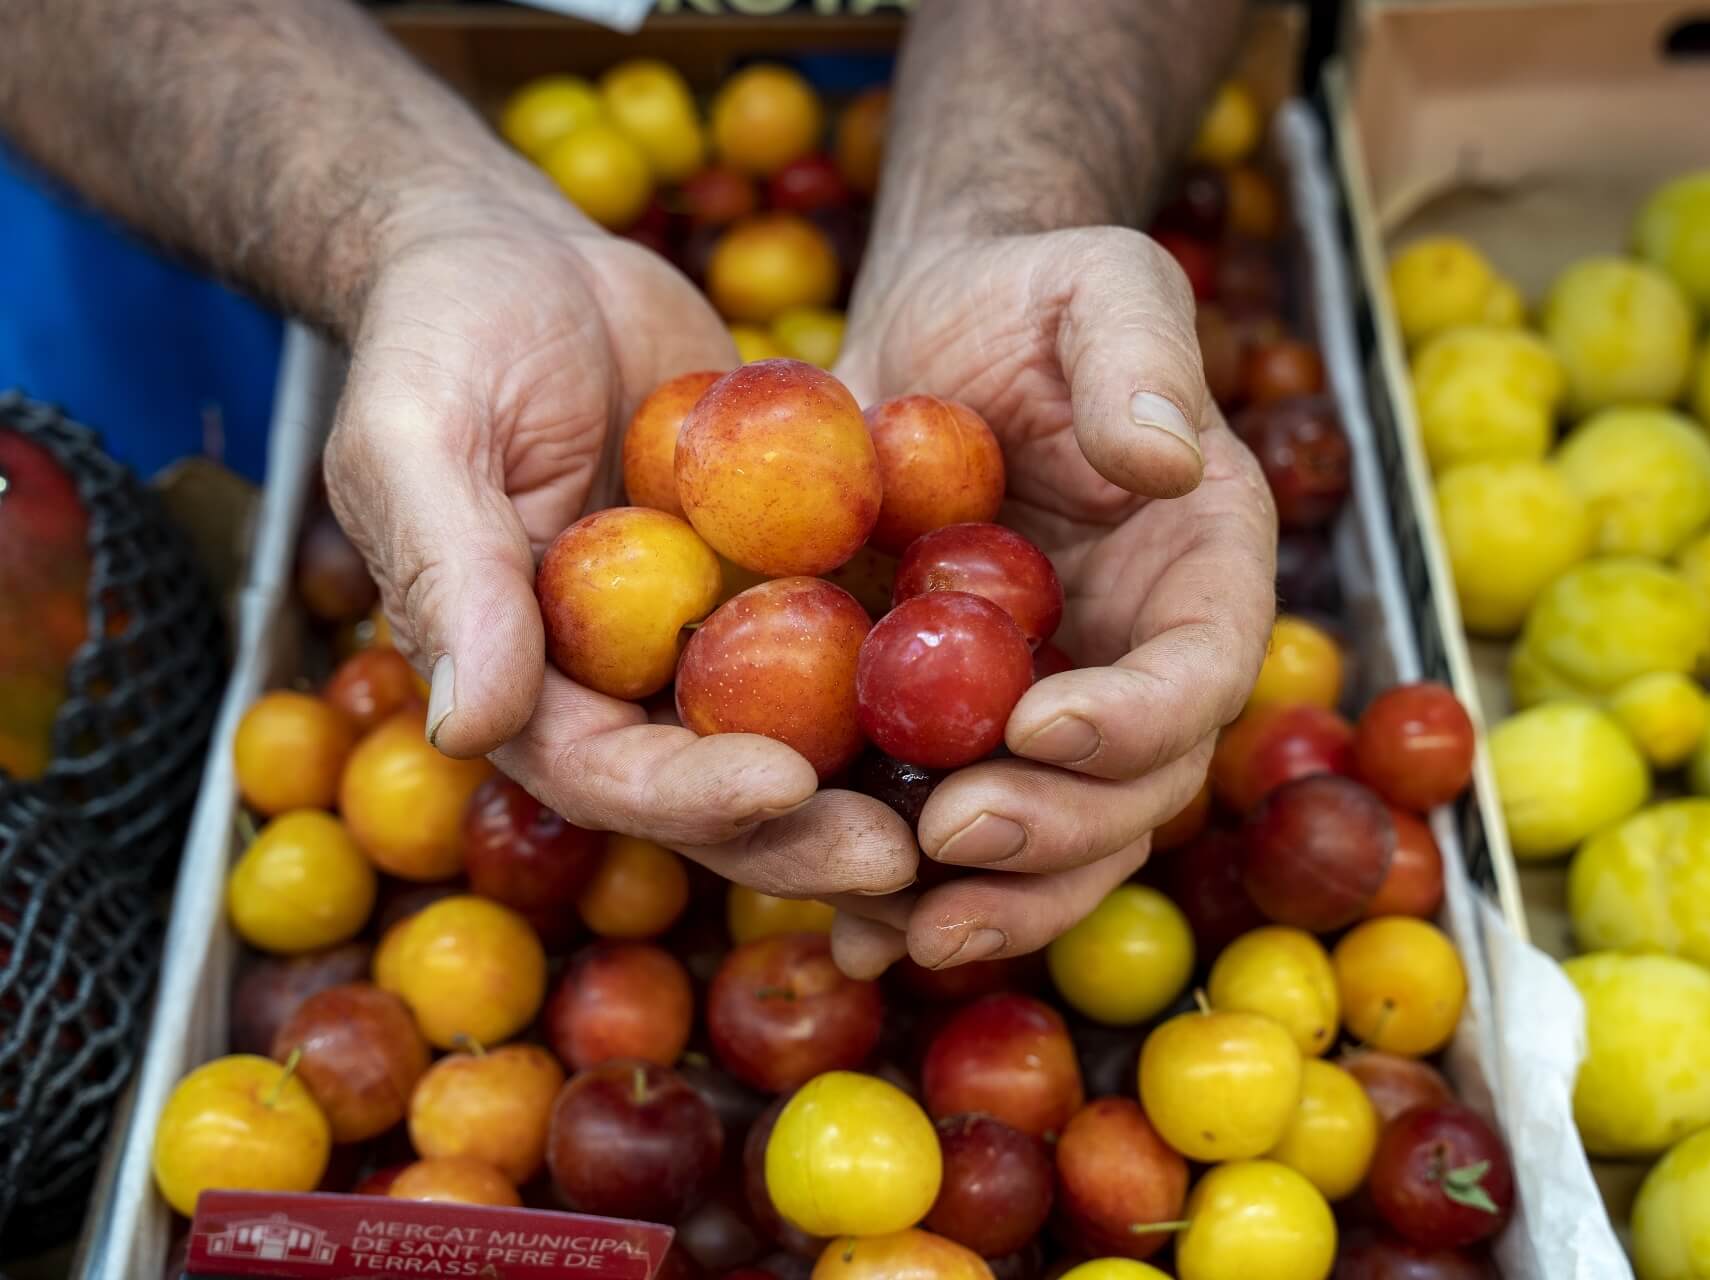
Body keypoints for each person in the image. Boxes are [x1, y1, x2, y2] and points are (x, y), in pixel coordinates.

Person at [0, 0, 1277, 978]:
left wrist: (1004, 206)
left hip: (904, 94)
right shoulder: (754, 523)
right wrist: (414, 225)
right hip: (243, 171)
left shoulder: (823, 523)